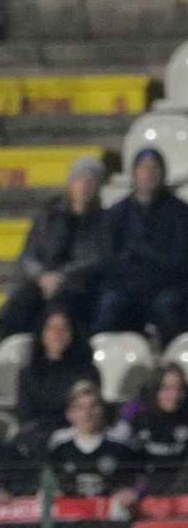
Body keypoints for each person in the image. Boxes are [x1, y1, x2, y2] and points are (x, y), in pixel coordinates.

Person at [0, 157, 105, 339]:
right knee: (21, 302)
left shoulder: (103, 221)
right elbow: (28, 255)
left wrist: (61, 277)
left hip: (77, 285)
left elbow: (95, 259)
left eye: (90, 181)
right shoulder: (48, 216)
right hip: (43, 281)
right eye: (81, 179)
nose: (85, 186)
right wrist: (42, 277)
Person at [92, 148, 188, 346]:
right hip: (128, 287)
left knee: (168, 307)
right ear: (134, 173)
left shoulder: (179, 213)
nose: (148, 173)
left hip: (167, 286)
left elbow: (179, 260)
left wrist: (141, 254)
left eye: (154, 168)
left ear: (162, 173)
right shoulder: (117, 213)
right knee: (110, 305)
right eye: (143, 168)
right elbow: (109, 259)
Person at [15, 305, 100, 459]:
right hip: (41, 438)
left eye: (64, 328)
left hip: (78, 435)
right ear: (42, 333)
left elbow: (91, 410)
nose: (57, 334)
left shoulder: (87, 371)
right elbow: (25, 415)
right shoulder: (28, 373)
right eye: (51, 328)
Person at [46, 381, 138, 503]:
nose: (87, 413)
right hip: (70, 517)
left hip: (108, 517)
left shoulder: (119, 448)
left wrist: (128, 493)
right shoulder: (59, 449)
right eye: (80, 408)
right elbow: (49, 486)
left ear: (102, 410)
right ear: (70, 414)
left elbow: (132, 485)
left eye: (93, 406)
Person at [122, 363, 188, 494]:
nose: (174, 395)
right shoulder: (137, 417)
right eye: (167, 388)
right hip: (144, 492)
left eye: (179, 389)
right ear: (155, 389)